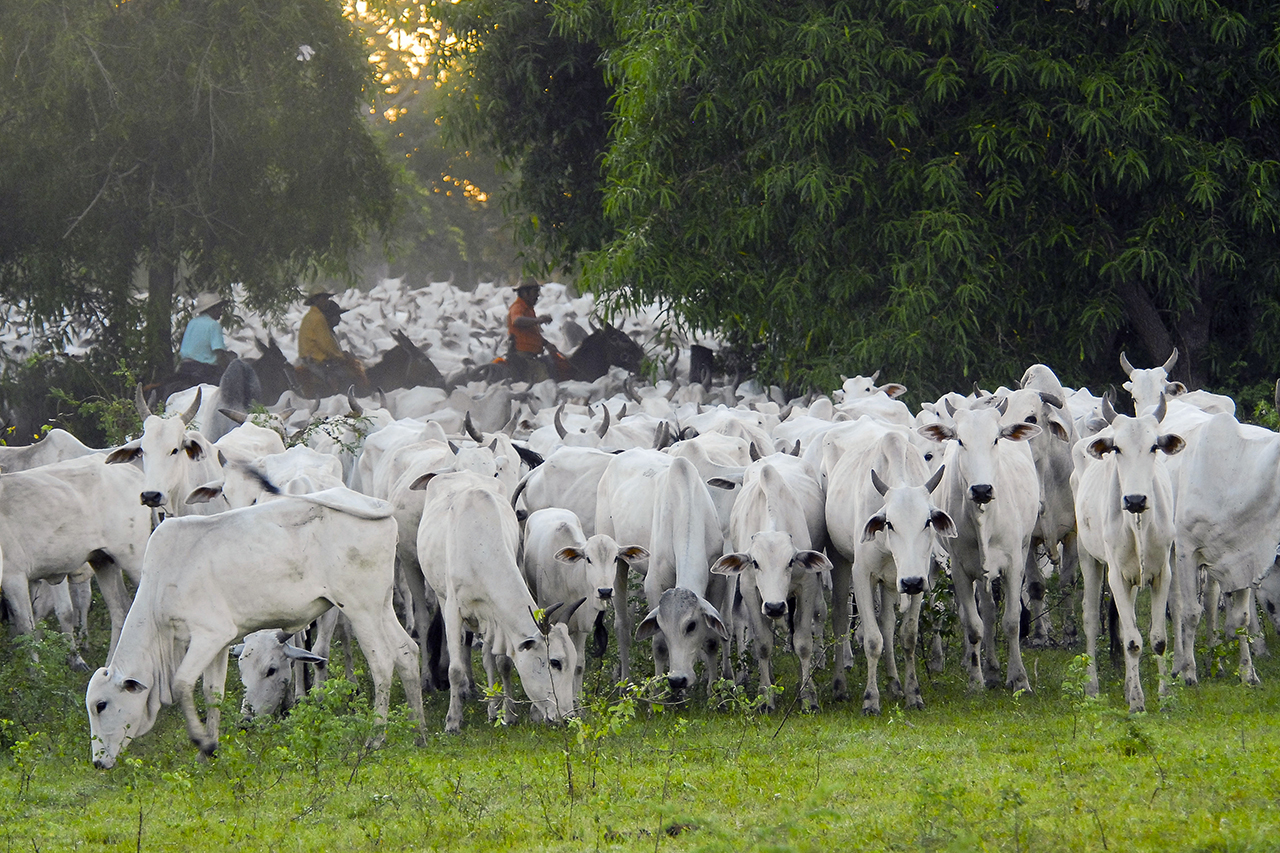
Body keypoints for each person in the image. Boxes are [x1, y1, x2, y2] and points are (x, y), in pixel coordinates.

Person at [296, 291, 368, 396]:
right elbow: (326, 345)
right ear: (316, 300)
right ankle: (341, 397)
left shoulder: (310, 316)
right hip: (319, 361)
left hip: (310, 359)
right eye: (323, 298)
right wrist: (341, 356)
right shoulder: (318, 319)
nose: (338, 318)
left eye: (326, 298)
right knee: (345, 376)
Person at [506, 277, 556, 382]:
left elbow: (531, 333)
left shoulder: (529, 310)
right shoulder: (518, 307)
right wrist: (538, 320)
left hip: (532, 355)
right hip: (524, 357)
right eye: (535, 292)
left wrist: (546, 344)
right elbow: (517, 320)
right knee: (545, 382)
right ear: (525, 293)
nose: (537, 295)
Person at [177, 292, 232, 386]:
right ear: (212, 309)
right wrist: (229, 368)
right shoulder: (213, 325)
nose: (221, 311)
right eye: (219, 308)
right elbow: (219, 354)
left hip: (185, 367)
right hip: (204, 370)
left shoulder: (192, 322)